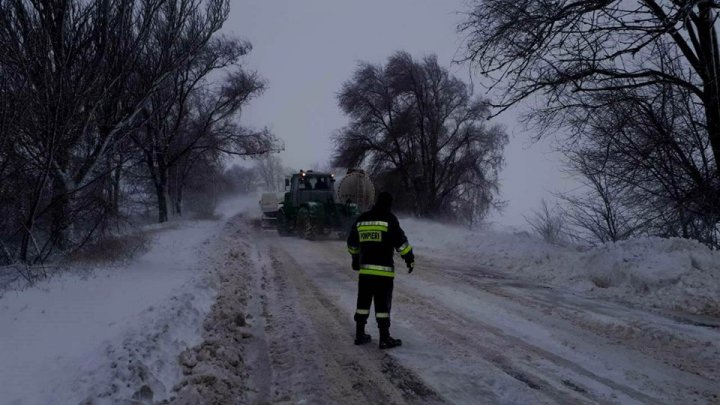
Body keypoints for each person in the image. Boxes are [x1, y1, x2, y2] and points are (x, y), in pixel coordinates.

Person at [346, 192, 415, 349]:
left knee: (362, 303)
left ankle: (359, 334)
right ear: (389, 204)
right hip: (383, 273)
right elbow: (401, 242)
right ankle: (384, 338)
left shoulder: (362, 219)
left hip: (365, 273)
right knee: (382, 306)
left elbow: (352, 242)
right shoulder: (390, 219)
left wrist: (355, 259)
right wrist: (409, 259)